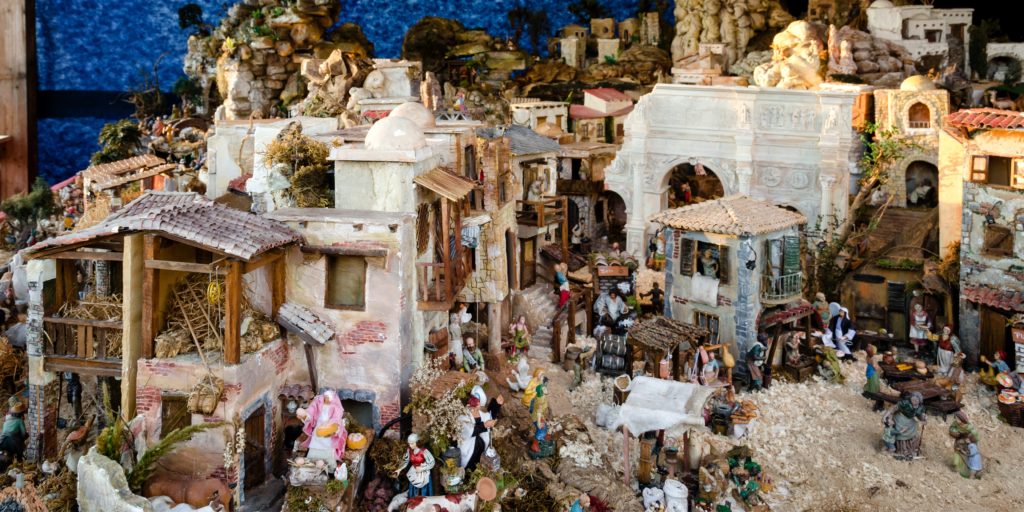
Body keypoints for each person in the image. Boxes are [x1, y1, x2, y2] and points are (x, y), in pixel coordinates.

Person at [297, 390, 348, 470]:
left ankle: (329, 466)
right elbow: (311, 411)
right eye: (326, 397)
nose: (327, 399)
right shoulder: (318, 402)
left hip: (329, 428)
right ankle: (312, 463)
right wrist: (305, 415)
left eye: (329, 398)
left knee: (328, 445)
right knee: (315, 444)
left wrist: (330, 426)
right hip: (318, 428)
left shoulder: (335, 406)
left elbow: (336, 418)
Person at [459, 386, 501, 471]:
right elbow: (468, 431)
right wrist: (484, 425)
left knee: (478, 464)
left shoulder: (480, 413)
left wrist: (497, 404)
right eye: (476, 405)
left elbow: (489, 416)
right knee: (469, 466)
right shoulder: (463, 416)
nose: (477, 408)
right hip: (469, 448)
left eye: (479, 405)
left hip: (480, 447)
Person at [883, 392, 926, 461]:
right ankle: (900, 449)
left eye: (916, 400)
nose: (914, 401)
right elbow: (894, 408)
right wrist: (885, 416)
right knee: (901, 433)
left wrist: (923, 418)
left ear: (919, 401)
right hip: (901, 419)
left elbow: (920, 416)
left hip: (910, 421)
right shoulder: (905, 403)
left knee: (913, 433)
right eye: (913, 399)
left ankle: (910, 449)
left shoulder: (920, 408)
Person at [948, 411, 982, 479]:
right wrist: (954, 432)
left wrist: (971, 440)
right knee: (956, 458)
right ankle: (957, 468)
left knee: (969, 460)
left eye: (958, 419)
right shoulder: (955, 423)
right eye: (955, 418)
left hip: (967, 444)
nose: (956, 420)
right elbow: (951, 428)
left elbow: (975, 435)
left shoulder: (969, 427)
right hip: (959, 442)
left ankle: (967, 472)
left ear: (962, 419)